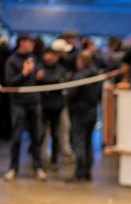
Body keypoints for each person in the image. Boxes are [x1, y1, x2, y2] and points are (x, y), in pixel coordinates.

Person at [3, 34, 47, 181]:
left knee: (37, 136)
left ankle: (38, 167)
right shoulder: (12, 61)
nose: (31, 45)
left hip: (34, 102)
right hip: (19, 104)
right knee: (16, 137)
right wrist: (23, 73)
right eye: (29, 42)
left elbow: (39, 79)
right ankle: (13, 168)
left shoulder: (34, 59)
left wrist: (40, 76)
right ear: (22, 43)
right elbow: (9, 82)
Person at [65, 50, 101, 183]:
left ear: (81, 62)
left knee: (78, 143)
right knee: (88, 143)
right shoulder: (96, 75)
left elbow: (71, 94)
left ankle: (78, 173)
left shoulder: (79, 76)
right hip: (92, 112)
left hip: (80, 112)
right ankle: (87, 173)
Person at [36, 47, 67, 168]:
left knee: (56, 134)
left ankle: (54, 158)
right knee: (41, 133)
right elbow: (38, 81)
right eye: (50, 55)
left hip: (57, 106)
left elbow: (63, 82)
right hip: (43, 106)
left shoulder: (60, 69)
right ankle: (38, 158)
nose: (53, 57)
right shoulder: (39, 67)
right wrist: (52, 81)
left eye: (54, 55)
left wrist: (45, 80)